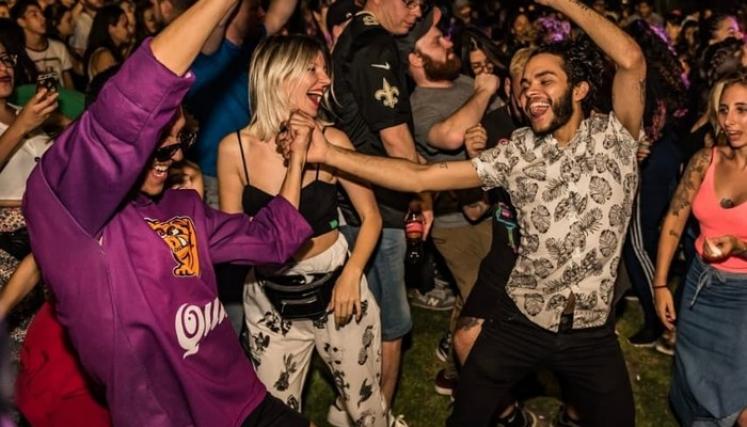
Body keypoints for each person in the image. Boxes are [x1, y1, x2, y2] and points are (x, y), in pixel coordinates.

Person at [292, 0, 646, 425]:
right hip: (521, 320)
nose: (530, 91)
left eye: (545, 80)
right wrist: (331, 154)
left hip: (591, 333)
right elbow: (420, 176)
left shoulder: (615, 139)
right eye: (525, 84)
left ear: (580, 89)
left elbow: (631, 59)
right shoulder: (517, 153)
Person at [22, 0, 317, 425]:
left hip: (243, 400)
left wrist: (299, 157)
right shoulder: (69, 205)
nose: (174, 154)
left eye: (181, 138)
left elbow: (273, 239)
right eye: (160, 140)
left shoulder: (180, 205)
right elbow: (131, 106)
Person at [218, 34, 387, 427]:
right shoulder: (234, 150)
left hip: (336, 290)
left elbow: (372, 217)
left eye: (325, 70)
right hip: (269, 298)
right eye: (313, 69)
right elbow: (232, 242)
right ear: (278, 75)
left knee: (365, 408)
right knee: (275, 415)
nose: (325, 80)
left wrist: (352, 274)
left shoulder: (331, 140)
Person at [330, 0, 428, 422]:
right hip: (381, 200)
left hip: (353, 194)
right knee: (392, 319)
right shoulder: (374, 42)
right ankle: (378, 414)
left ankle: (349, 405)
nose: (417, 12)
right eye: (411, 1)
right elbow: (394, 137)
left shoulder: (350, 34)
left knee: (362, 309)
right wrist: (422, 191)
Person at [397, 6, 501, 398]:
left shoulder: (463, 83)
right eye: (435, 40)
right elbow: (451, 136)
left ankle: (457, 351)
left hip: (492, 208)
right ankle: (458, 375)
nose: (447, 41)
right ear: (415, 59)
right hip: (455, 224)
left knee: (487, 291)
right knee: (480, 297)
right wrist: (484, 91)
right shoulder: (419, 106)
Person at [653, 70, 747, 427]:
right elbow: (674, 220)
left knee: (740, 404)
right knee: (695, 385)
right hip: (699, 289)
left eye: (742, 110)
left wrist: (738, 245)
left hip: (743, 301)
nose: (730, 120)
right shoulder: (704, 160)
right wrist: (661, 284)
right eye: (724, 109)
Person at [13, 0, 75, 89]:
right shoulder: (18, 53)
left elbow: (69, 85)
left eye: (41, 13)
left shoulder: (59, 47)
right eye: (34, 15)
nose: (43, 18)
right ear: (21, 22)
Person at [83, 4, 132, 82]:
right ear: (111, 28)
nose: (129, 30)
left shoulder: (115, 52)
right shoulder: (104, 56)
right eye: (125, 26)